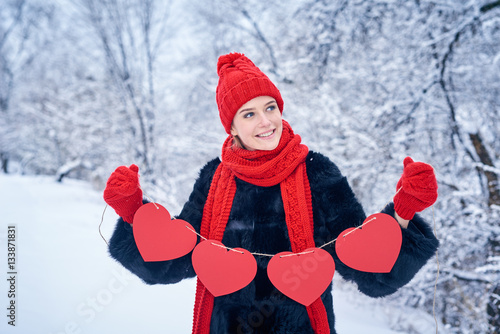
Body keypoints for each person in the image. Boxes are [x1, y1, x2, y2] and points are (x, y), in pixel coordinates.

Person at [103, 52, 439, 334]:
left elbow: (365, 265)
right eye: (249, 114)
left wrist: (403, 212)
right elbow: (176, 260)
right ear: (231, 127)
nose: (265, 122)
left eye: (270, 108)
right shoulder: (214, 177)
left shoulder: (317, 172)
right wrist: (132, 211)